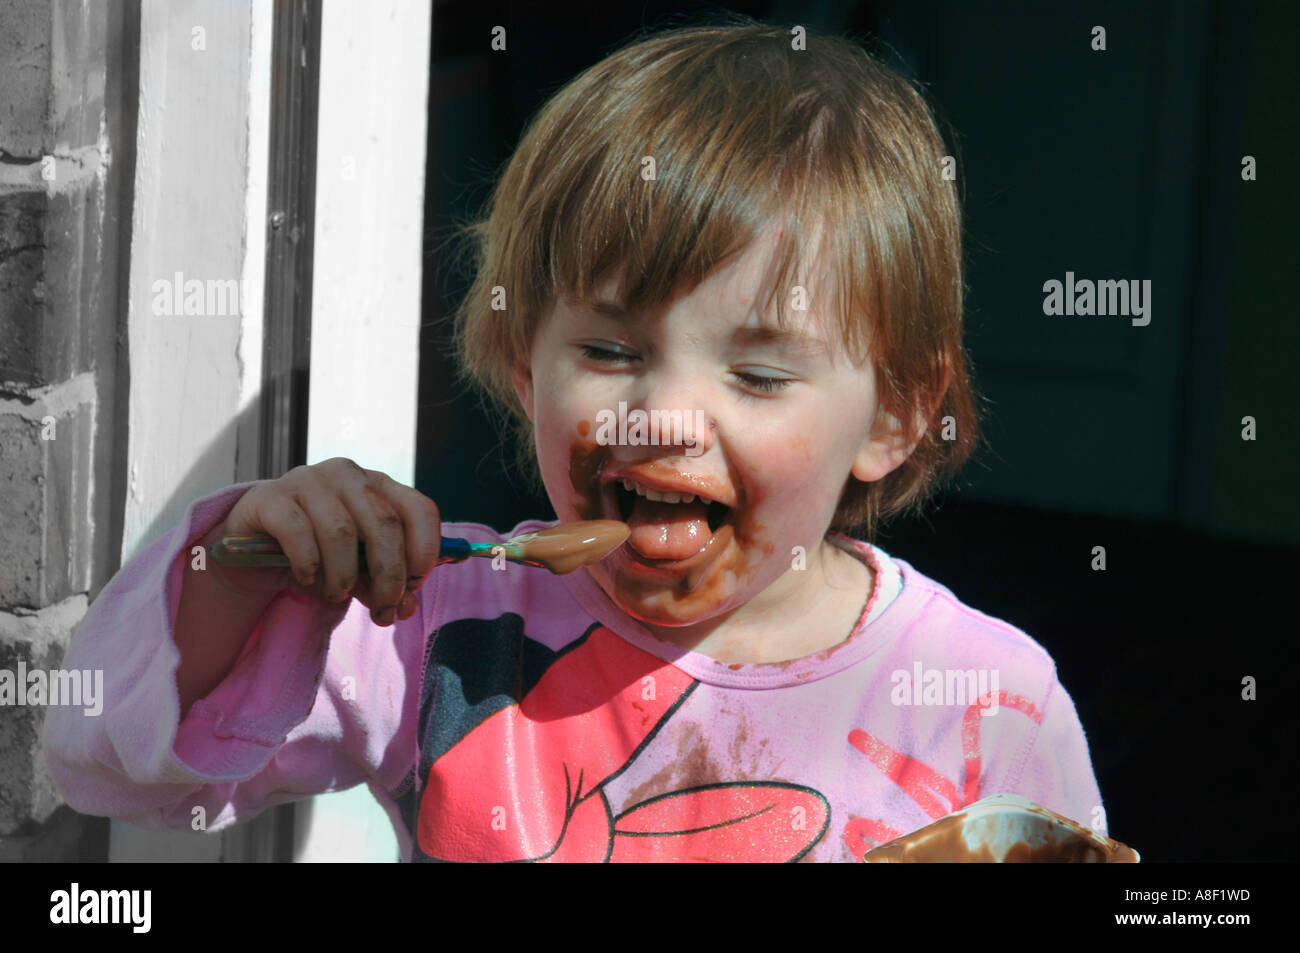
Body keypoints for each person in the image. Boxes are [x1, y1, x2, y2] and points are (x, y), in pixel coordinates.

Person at [44, 20, 1105, 862]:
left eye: (758, 373)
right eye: (608, 348)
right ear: (522, 363)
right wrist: (242, 573)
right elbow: (114, 768)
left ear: (892, 416)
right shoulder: (435, 623)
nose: (664, 414)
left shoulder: (983, 701)